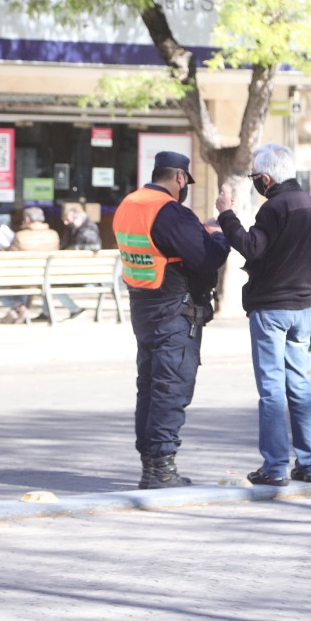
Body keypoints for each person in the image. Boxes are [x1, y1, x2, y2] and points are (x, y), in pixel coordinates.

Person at [215, 144, 311, 487]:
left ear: (266, 178)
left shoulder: (273, 208)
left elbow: (251, 246)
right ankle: (309, 463)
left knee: (271, 389)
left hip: (271, 308)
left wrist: (226, 215)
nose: (255, 182)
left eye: (254, 177)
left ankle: (275, 466)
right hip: (302, 309)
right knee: (299, 385)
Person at [114, 151, 230, 489]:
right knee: (170, 387)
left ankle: (151, 466)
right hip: (174, 309)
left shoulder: (130, 203)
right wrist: (217, 232)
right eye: (185, 183)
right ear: (180, 178)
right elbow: (207, 258)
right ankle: (161, 469)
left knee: (149, 387)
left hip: (143, 306)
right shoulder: (169, 211)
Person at [0, 206, 68, 324]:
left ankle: (19, 307)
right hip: (47, 277)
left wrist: (2, 250)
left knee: (0, 285)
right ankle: (22, 310)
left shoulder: (20, 236)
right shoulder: (53, 235)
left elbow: (10, 256)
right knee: (28, 281)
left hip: (25, 279)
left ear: (26, 220)